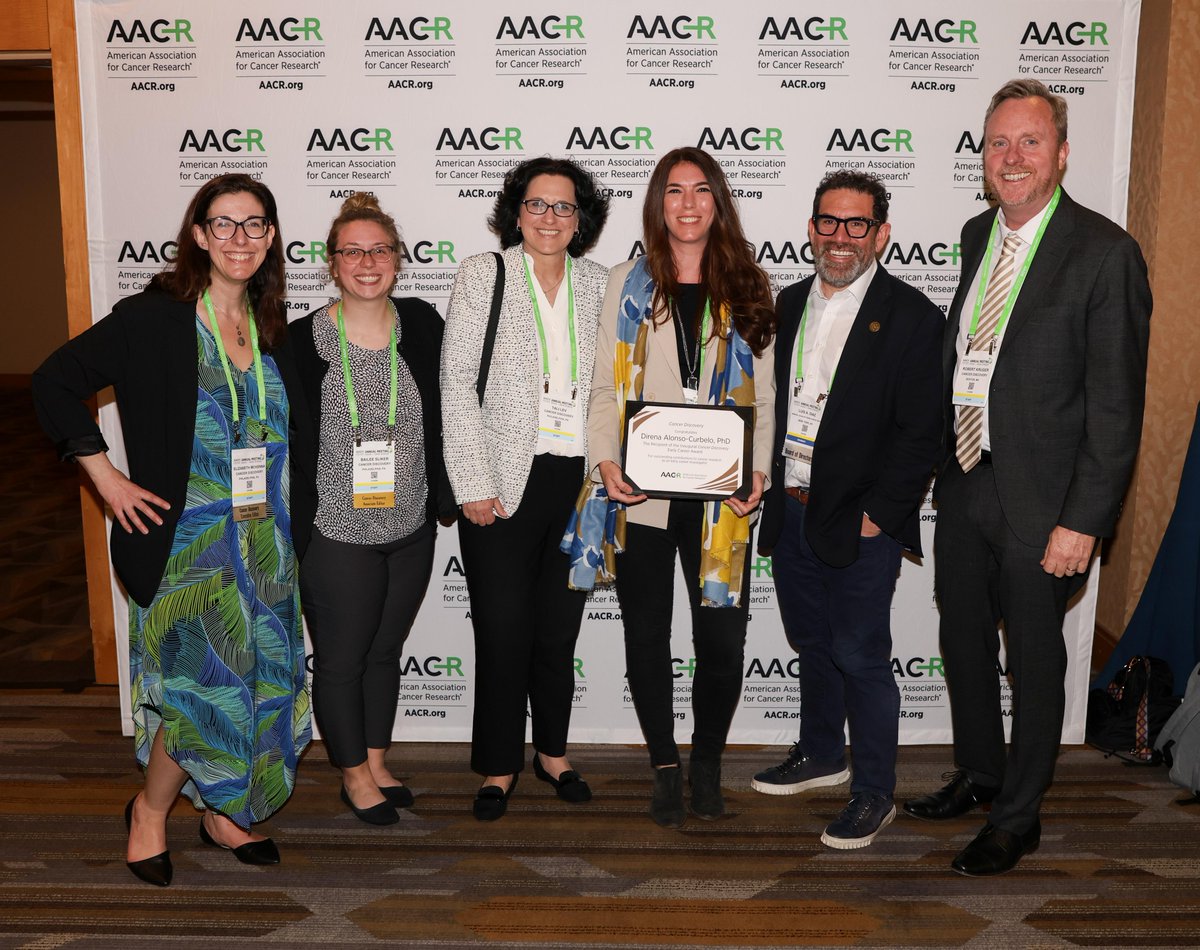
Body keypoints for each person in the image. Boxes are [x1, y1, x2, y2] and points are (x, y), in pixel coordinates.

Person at [32, 174, 311, 886]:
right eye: (223, 224)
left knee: (253, 688)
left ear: (272, 237)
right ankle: (149, 813)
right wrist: (105, 477)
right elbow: (54, 381)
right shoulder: (152, 320)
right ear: (197, 235)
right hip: (188, 547)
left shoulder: (272, 326)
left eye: (254, 225)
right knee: (200, 692)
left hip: (265, 548)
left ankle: (222, 813)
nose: (239, 239)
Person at [904, 79, 1151, 875]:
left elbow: (1116, 407)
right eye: (998, 143)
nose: (1011, 157)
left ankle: (1019, 816)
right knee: (964, 641)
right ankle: (981, 774)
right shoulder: (979, 235)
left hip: (1046, 503)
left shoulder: (1105, 253)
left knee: (1035, 661)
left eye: (1030, 142)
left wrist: (1084, 521)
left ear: (1063, 154)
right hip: (970, 479)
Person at [752, 171, 943, 849]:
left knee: (861, 654)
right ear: (810, 229)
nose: (840, 237)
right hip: (793, 508)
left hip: (860, 521)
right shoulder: (788, 302)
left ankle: (874, 792)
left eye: (856, 224)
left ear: (881, 234)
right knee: (813, 642)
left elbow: (923, 432)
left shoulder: (914, 316)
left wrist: (880, 514)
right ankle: (821, 753)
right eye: (828, 222)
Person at [588, 146, 776, 828]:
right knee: (646, 638)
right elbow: (604, 388)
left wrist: (758, 472)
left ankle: (706, 766)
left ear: (718, 202)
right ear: (657, 204)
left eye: (702, 191)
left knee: (721, 645)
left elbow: (769, 397)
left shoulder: (752, 285)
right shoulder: (626, 282)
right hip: (642, 496)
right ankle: (665, 765)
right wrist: (606, 463)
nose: (688, 203)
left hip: (723, 501)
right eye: (674, 191)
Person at [441, 157, 610, 820]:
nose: (549, 218)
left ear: (581, 218)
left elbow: (612, 385)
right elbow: (456, 383)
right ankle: (498, 763)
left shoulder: (600, 282)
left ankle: (553, 752)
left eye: (563, 207)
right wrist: (472, 482)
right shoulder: (484, 274)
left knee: (557, 630)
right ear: (517, 212)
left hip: (579, 481)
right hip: (503, 482)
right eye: (537, 205)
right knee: (503, 629)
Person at [279, 194, 454, 825]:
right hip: (335, 529)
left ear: (398, 259)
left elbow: (452, 413)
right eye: (351, 250)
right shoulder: (298, 342)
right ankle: (352, 775)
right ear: (331, 263)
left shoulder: (425, 325)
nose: (367, 261)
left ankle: (376, 760)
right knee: (343, 657)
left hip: (409, 523)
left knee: (386, 650)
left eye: (379, 249)